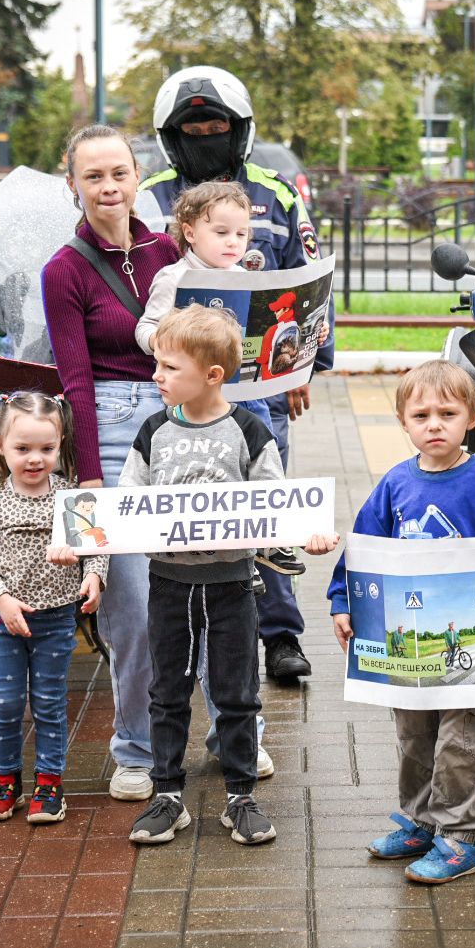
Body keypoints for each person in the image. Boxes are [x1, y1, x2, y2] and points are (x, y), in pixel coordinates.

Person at [327, 360, 475, 883]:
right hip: (407, 652)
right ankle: (419, 821)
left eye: (447, 413)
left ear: (472, 417)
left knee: (461, 742)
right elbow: (361, 553)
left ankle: (460, 837)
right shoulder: (394, 485)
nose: (434, 424)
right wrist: (342, 601)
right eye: (421, 414)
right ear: (403, 421)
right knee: (414, 737)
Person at [139, 65, 331, 684]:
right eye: (192, 127)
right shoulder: (150, 197)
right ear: (172, 135)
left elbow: (307, 279)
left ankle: (279, 637)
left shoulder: (276, 193)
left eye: (215, 125)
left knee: (265, 505)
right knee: (189, 504)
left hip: (261, 389)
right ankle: (188, 637)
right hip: (180, 390)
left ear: (239, 130)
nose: (204, 135)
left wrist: (301, 365)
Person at [122, 305, 340, 847]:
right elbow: (127, 506)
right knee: (166, 690)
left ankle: (241, 796)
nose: (157, 376)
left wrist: (307, 534)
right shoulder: (151, 432)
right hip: (168, 584)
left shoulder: (249, 429)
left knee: (237, 691)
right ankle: (167, 796)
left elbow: (274, 508)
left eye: (169, 368)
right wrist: (80, 541)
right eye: (158, 366)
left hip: (233, 585)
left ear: (212, 376)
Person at [41, 124, 180, 804]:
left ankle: (233, 734)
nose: (108, 187)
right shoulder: (62, 271)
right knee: (131, 607)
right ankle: (135, 749)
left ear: (136, 177)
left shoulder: (172, 252)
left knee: (207, 591)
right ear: (72, 184)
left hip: (181, 425)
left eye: (118, 173)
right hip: (110, 435)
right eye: (92, 176)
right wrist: (89, 474)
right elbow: (74, 382)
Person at [0, 393, 107, 823]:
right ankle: (6, 781)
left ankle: (50, 784)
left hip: (55, 619)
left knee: (48, 701)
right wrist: (1, 600)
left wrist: (93, 576)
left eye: (46, 449)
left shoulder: (72, 498)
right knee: (6, 704)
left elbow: (96, 546)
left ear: (61, 443)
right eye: (22, 449)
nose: (34, 459)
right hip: (3, 620)